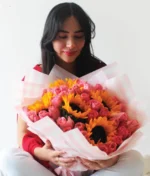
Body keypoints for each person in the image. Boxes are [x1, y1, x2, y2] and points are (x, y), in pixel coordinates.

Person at [0, 2, 144, 176]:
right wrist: (45, 153)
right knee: (10, 158)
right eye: (62, 36)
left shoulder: (99, 71)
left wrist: (109, 159)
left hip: (92, 167)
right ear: (50, 37)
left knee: (135, 159)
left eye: (78, 37)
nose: (71, 44)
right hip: (49, 167)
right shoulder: (37, 75)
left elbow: (118, 124)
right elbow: (22, 134)